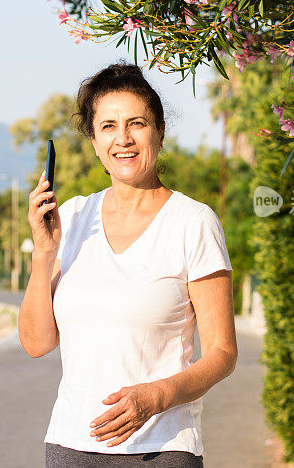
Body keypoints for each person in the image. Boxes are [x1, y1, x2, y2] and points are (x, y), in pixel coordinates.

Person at [19, 62, 237, 468]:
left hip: (162, 448)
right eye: (107, 126)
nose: (123, 139)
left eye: (136, 123)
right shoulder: (73, 216)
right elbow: (36, 343)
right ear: (94, 141)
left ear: (159, 132)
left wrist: (155, 396)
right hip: (71, 446)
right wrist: (43, 252)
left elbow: (222, 352)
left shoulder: (194, 222)